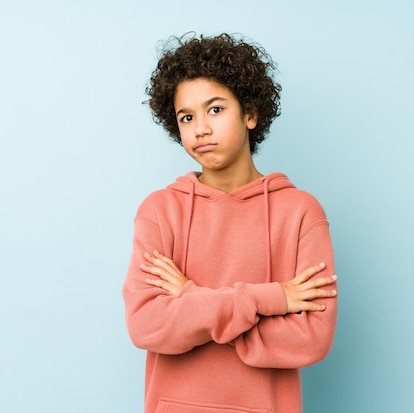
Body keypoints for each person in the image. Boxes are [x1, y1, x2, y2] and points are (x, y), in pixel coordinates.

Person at [122, 33, 338, 413]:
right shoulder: (159, 211)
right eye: (186, 117)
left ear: (250, 114)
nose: (200, 128)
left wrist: (190, 300)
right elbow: (146, 324)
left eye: (215, 110)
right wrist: (267, 299)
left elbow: (310, 338)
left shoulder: (301, 212)